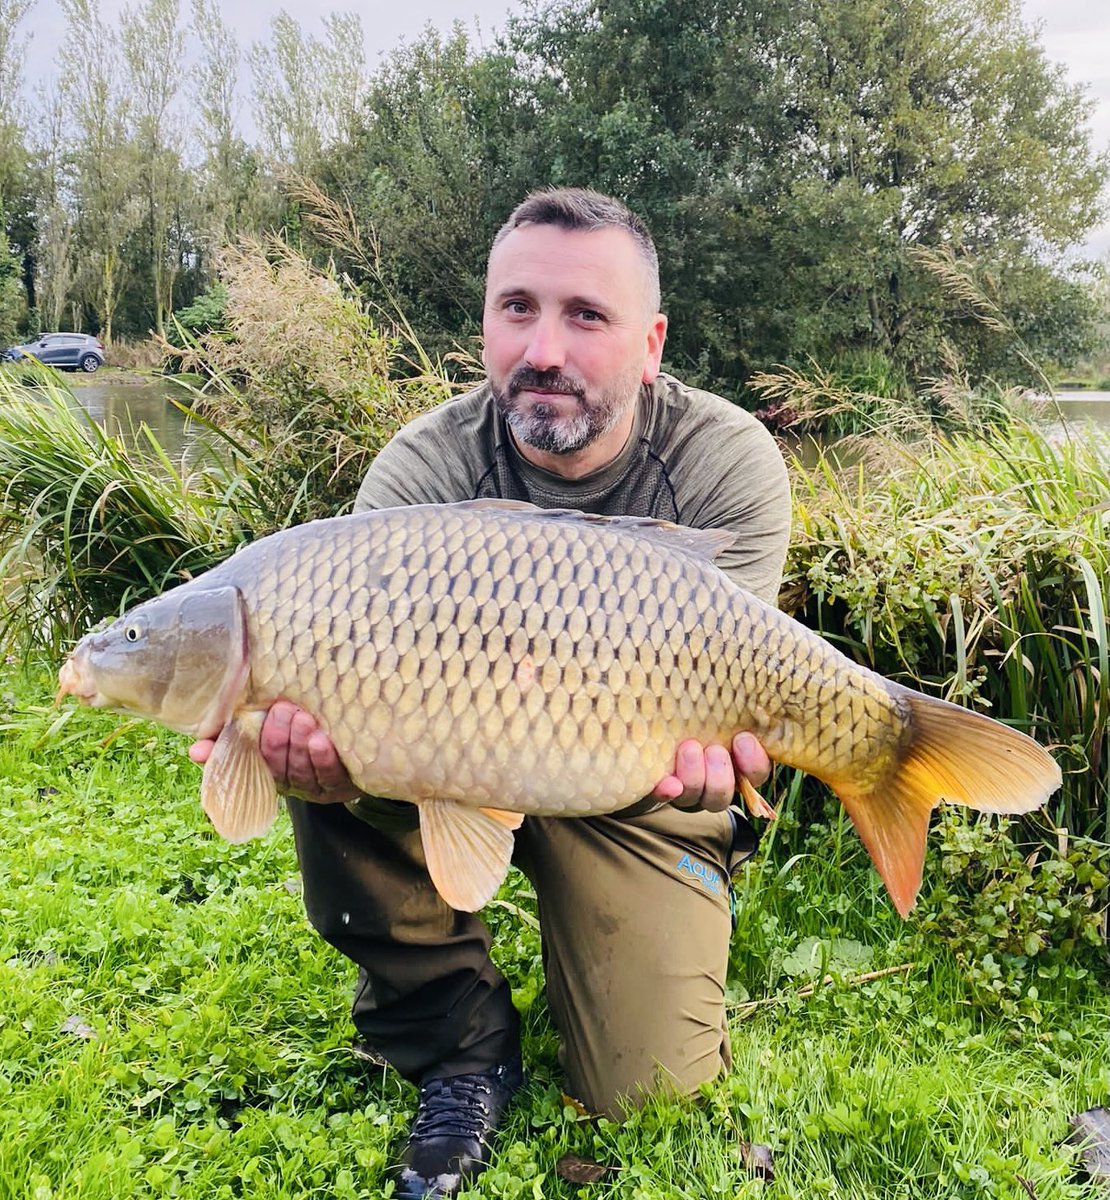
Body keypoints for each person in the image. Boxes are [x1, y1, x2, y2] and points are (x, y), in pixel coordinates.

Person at [191, 187, 791, 1198]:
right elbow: (332, 680)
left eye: (585, 317)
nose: (542, 349)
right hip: (447, 759)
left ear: (650, 345)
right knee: (312, 733)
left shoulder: (726, 463)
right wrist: (320, 754)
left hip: (632, 783)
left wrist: (716, 763)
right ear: (484, 322)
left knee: (647, 1086)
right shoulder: (420, 470)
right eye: (517, 308)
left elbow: (732, 690)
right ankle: (458, 1037)